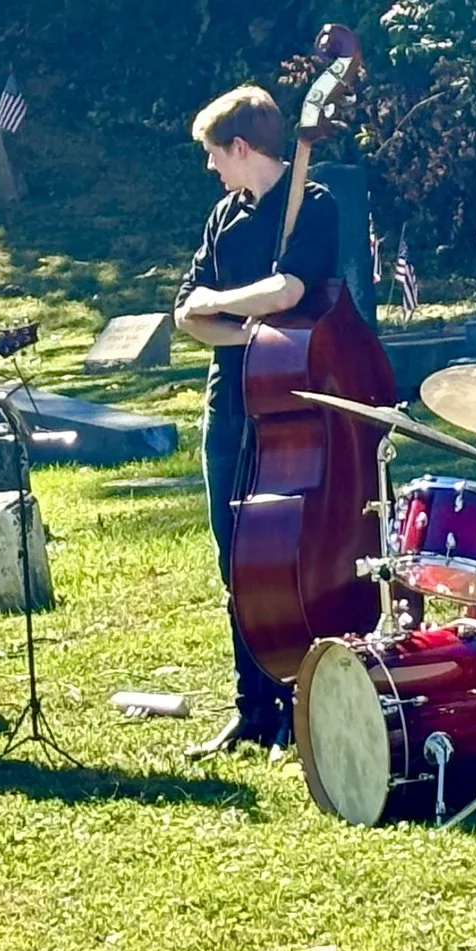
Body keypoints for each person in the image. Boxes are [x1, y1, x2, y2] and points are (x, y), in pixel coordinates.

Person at [173, 85, 341, 758]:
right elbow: (187, 310)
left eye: (216, 156)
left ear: (242, 149)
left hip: (295, 401)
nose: (212, 169)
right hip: (232, 399)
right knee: (233, 556)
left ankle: (303, 704)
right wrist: (246, 334)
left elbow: (291, 289)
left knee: (290, 555)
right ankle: (253, 706)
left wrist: (226, 303)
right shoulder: (223, 215)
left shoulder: (315, 204)